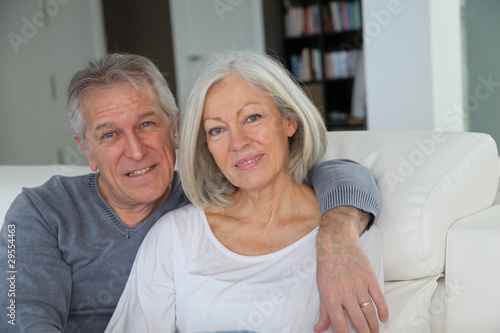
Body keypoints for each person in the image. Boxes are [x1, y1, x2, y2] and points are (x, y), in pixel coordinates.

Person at [0, 53, 386, 333]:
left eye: (147, 123)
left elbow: (337, 173)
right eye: (109, 134)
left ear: (176, 129)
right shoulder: (37, 211)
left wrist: (338, 225)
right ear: (86, 150)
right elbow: (21, 316)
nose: (136, 150)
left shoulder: (201, 198)